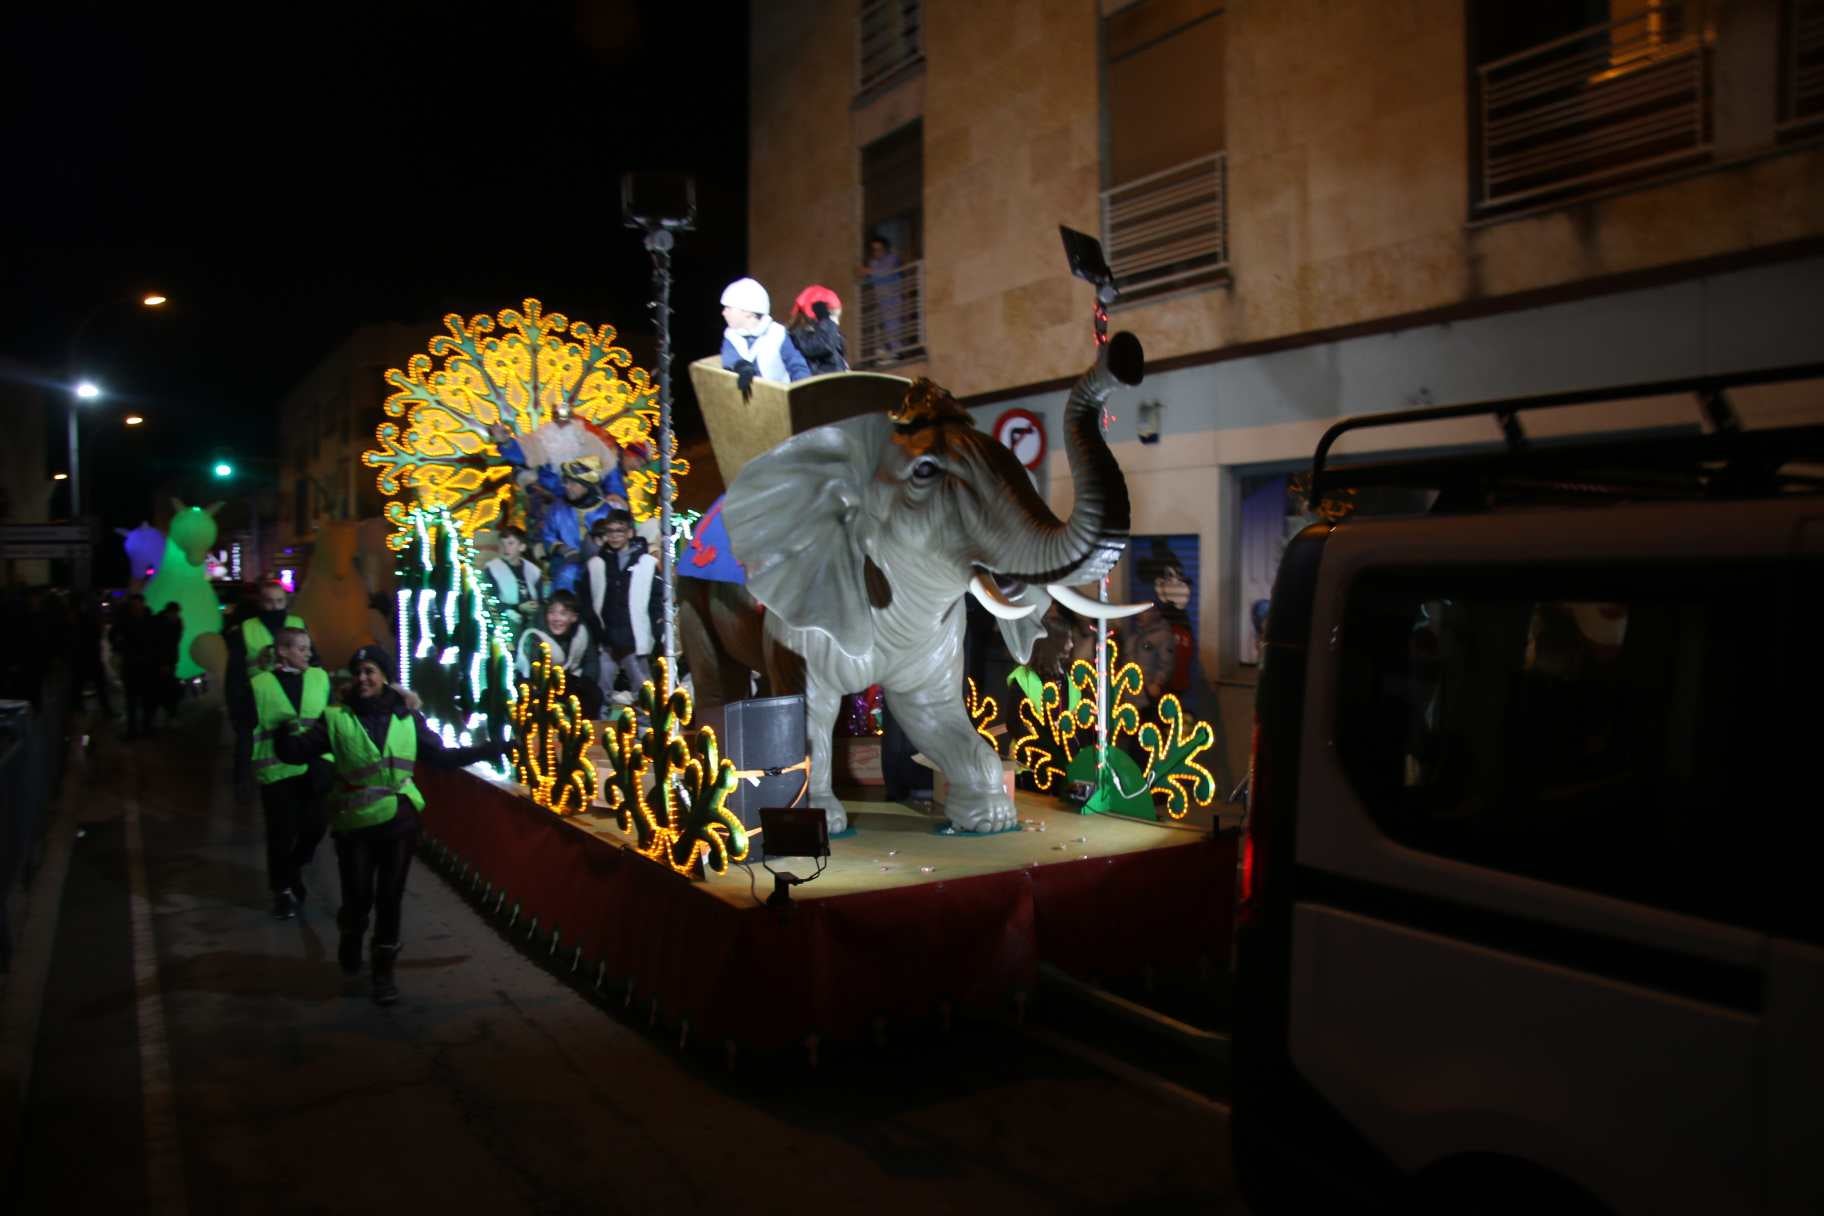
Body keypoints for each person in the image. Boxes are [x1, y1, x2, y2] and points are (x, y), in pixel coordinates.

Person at [275, 645, 505, 1004]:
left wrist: (490, 749)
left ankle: (384, 973)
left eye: (370, 671)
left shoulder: (408, 718)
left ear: (385, 676)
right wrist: (282, 734)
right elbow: (296, 752)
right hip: (355, 823)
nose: (363, 678)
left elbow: (441, 758)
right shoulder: (337, 717)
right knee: (359, 896)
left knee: (390, 896)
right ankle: (351, 932)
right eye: (358, 672)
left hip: (400, 821)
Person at [250, 626, 332, 919]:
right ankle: (282, 890)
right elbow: (247, 724)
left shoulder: (320, 678)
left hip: (315, 767)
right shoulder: (260, 684)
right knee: (281, 833)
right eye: (301, 649)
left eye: (309, 648)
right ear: (283, 651)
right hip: (277, 770)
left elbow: (330, 717)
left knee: (316, 826)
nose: (308, 654)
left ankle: (294, 867)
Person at [226, 581, 310, 786]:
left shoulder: (298, 624)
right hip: (257, 699)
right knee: (250, 745)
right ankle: (245, 787)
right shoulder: (246, 630)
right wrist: (235, 708)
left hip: (293, 696)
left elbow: (312, 660)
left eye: (279, 601)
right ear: (260, 603)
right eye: (269, 602)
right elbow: (235, 674)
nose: (275, 607)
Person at [583, 510, 657, 706]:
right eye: (610, 531)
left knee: (644, 690)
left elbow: (655, 600)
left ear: (630, 533)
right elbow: (587, 600)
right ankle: (600, 730)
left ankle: (646, 729)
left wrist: (658, 631)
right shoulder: (596, 564)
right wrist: (597, 631)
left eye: (620, 531)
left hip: (634, 637)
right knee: (601, 692)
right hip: (606, 638)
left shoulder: (646, 564)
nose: (615, 536)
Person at [516, 589, 602, 719]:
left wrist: (586, 682)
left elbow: (591, 661)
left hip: (569, 679)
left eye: (563, 614)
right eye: (552, 613)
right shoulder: (535, 632)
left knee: (592, 694)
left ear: (574, 617)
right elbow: (535, 668)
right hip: (538, 682)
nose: (556, 619)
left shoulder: (582, 631)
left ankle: (582, 734)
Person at [719, 276, 810, 396]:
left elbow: (795, 363)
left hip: (778, 397)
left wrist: (801, 387)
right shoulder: (731, 336)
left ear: (748, 312)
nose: (724, 312)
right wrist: (742, 367)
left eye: (729, 308)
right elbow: (730, 358)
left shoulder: (777, 334)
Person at [109, 594, 163, 739]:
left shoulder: (148, 620)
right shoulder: (127, 620)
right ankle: (134, 729)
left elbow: (157, 641)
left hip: (144, 664)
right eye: (134, 605)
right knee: (132, 699)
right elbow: (114, 635)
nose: (136, 608)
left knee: (145, 699)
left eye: (137, 605)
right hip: (133, 664)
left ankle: (144, 727)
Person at [484, 525, 545, 641]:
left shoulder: (534, 571)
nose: (505, 548)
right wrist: (518, 608)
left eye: (510, 543)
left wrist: (537, 606)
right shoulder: (492, 569)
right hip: (506, 621)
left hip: (532, 620)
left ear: (522, 547)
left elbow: (541, 600)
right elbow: (490, 603)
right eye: (502, 544)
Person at [857, 234, 905, 360]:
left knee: (893, 325)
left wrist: (869, 271)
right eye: (874, 250)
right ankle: (885, 354)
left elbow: (886, 271)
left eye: (879, 249)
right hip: (881, 300)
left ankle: (897, 352)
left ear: (885, 249)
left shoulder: (892, 259)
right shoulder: (873, 263)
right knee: (881, 327)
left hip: (893, 298)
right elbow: (868, 278)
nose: (876, 252)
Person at [787, 285, 848, 376]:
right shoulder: (798, 337)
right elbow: (822, 345)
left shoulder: (831, 338)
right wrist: (825, 319)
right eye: (832, 318)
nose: (835, 324)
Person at [154, 602, 185, 725]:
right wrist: (162, 662)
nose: (176, 615)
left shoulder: (177, 622)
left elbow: (174, 642)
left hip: (170, 660)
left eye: (176, 614)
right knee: (164, 687)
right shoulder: (158, 623)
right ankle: (167, 712)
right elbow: (159, 644)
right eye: (174, 613)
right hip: (160, 661)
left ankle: (170, 713)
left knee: (169, 688)